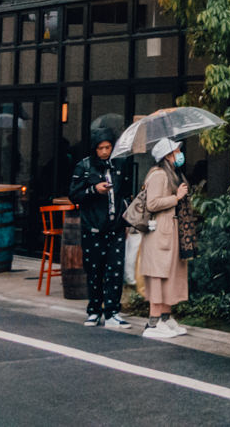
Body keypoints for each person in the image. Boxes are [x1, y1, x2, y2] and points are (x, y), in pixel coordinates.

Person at [69, 128, 130, 329]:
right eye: (100, 148)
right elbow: (74, 195)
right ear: (95, 149)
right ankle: (94, 310)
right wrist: (93, 190)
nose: (104, 151)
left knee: (115, 270)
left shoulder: (119, 165)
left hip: (116, 226)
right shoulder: (84, 167)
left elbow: (125, 194)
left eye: (108, 147)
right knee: (95, 270)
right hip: (93, 227)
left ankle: (113, 312)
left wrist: (127, 220)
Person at [138, 137, 190, 340]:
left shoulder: (172, 174)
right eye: (177, 151)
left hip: (169, 232)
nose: (179, 154)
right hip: (159, 234)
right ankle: (153, 322)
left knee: (170, 275)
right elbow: (152, 203)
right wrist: (176, 197)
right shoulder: (159, 175)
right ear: (167, 156)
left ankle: (166, 318)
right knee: (158, 275)